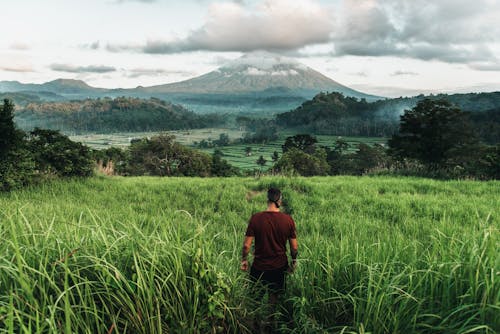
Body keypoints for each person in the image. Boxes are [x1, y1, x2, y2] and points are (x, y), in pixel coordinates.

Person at [240, 187, 298, 305]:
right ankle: (271, 320)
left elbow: (246, 246)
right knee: (274, 299)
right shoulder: (288, 220)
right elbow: (294, 247)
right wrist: (293, 261)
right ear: (279, 201)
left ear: (267, 200)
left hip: (259, 267)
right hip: (279, 267)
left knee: (255, 299)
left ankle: (256, 321)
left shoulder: (256, 218)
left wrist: (244, 259)